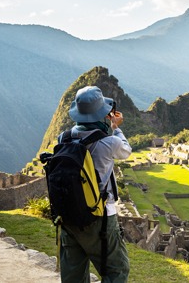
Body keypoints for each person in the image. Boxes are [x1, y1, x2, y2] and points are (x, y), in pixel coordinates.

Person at [59, 85, 132, 282]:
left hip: (67, 214)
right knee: (117, 269)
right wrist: (115, 127)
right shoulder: (110, 142)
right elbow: (126, 150)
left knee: (72, 273)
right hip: (99, 217)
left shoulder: (64, 138)